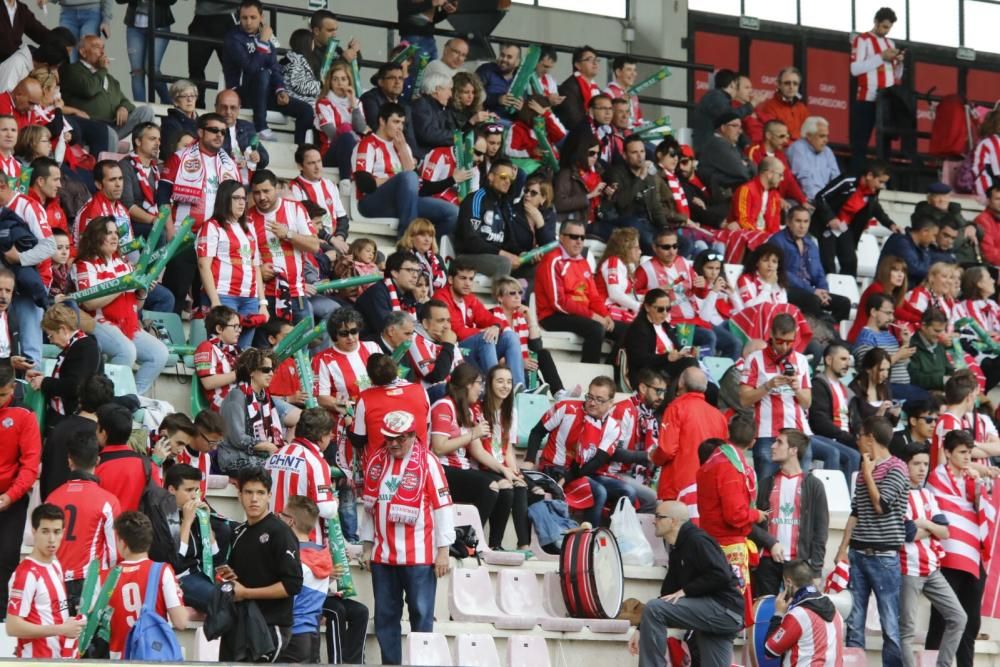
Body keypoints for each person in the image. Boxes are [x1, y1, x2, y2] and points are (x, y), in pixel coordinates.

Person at [358, 410, 454, 666]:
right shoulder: (376, 462)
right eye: (389, 438)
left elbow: (442, 506)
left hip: (419, 557)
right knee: (385, 619)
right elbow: (370, 507)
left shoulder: (429, 462)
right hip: (383, 556)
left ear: (412, 435)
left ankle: (421, 662)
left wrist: (443, 550)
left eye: (399, 438)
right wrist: (367, 546)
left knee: (421, 617)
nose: (393, 444)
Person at [628, 500, 745, 667]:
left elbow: (722, 575)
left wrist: (686, 591)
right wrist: (641, 629)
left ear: (674, 521)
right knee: (656, 608)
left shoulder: (697, 540)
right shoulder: (677, 547)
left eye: (659, 517)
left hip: (725, 611)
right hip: (714, 617)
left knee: (654, 608)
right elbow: (667, 593)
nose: (654, 520)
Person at [835, 415, 909, 666]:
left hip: (884, 557)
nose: (857, 440)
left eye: (860, 436)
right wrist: (842, 548)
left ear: (871, 438)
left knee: (890, 623)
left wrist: (867, 473)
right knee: (854, 622)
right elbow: (855, 512)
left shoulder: (898, 467)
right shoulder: (864, 470)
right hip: (858, 553)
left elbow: (881, 505)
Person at [73, 216, 169, 395]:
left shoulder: (124, 264)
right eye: (108, 233)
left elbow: (137, 307)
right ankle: (107, 397)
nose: (114, 237)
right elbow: (89, 302)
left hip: (127, 324)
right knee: (127, 351)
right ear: (95, 236)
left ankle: (132, 398)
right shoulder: (84, 265)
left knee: (160, 353)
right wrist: (122, 286)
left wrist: (142, 292)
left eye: (116, 233)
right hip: (97, 321)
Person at [158, 112, 241, 315]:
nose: (219, 135)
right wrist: (170, 232)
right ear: (200, 132)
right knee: (175, 292)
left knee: (207, 297)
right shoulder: (180, 158)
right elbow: (162, 199)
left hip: (216, 239)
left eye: (223, 132)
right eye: (213, 130)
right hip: (184, 237)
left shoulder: (229, 164)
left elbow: (238, 202)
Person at [219, 467, 303, 661]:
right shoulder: (238, 532)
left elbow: (293, 585)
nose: (254, 499)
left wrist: (246, 593)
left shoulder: (280, 533)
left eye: (260, 493)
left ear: (269, 496)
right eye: (248, 492)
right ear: (239, 495)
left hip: (270, 627)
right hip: (238, 626)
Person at [925, 429, 992, 667]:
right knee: (942, 618)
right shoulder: (937, 477)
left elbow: (981, 509)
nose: (967, 458)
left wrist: (978, 488)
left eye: (970, 453)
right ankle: (931, 661)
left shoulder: (972, 479)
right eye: (962, 453)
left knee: (971, 621)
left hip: (973, 556)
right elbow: (943, 510)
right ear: (947, 452)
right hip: (948, 556)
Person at [897, 443, 967, 667]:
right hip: (908, 569)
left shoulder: (927, 494)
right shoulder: (899, 494)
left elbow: (945, 531)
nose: (922, 469)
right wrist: (929, 529)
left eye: (925, 464)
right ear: (905, 465)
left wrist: (923, 524)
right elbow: (907, 534)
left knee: (959, 617)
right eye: (916, 463)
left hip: (932, 568)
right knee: (906, 630)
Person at [352, 102, 457, 239]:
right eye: (396, 122)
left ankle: (424, 249)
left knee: (452, 213)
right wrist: (396, 181)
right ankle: (406, 238)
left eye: (402, 123)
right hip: (372, 202)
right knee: (407, 177)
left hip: (403, 201)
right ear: (382, 121)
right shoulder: (367, 144)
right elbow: (365, 184)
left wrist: (402, 151)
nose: (400, 128)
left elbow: (417, 183)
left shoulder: (403, 146)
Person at [430, 363, 509, 531]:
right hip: (441, 469)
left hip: (462, 468)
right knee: (489, 487)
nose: (481, 389)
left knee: (505, 484)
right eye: (479, 383)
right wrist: (472, 434)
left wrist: (504, 470)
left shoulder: (468, 411)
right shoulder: (444, 406)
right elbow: (438, 448)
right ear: (468, 384)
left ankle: (494, 543)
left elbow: (478, 450)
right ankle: (467, 539)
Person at [751, 429, 829, 597]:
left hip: (798, 564)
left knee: (797, 613)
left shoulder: (814, 485)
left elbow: (820, 530)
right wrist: (770, 542)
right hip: (767, 561)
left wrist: (816, 570)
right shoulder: (766, 483)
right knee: (764, 613)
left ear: (793, 450)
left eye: (779, 442)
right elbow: (751, 522)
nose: (772, 446)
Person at [222, 0, 312, 142]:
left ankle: (301, 152)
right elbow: (251, 69)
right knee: (262, 74)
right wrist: (263, 41)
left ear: (261, 17)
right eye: (244, 18)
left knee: (306, 110)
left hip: (264, 94)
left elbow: (275, 68)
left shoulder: (267, 41)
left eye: (253, 17)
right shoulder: (233, 39)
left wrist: (280, 90)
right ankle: (261, 128)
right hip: (240, 94)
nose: (248, 22)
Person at [536, 221, 622, 364]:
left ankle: (610, 370)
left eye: (582, 237)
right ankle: (589, 374)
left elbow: (593, 296)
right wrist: (594, 316)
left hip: (581, 315)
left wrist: (605, 315)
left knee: (627, 331)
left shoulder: (583, 262)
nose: (579, 242)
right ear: (562, 238)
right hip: (553, 316)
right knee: (596, 329)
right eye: (574, 237)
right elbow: (559, 302)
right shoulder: (552, 260)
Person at [5, 503, 84, 657]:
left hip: (59, 658)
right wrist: (60, 629)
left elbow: (54, 612)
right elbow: (12, 627)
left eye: (57, 532)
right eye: (45, 531)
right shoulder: (26, 574)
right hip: (37, 660)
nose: (52, 539)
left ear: (63, 533)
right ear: (34, 532)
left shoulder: (55, 563)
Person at [432, 259, 526, 389]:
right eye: (463, 278)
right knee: (486, 337)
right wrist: (484, 331)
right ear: (450, 280)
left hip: (472, 348)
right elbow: (456, 331)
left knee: (511, 337)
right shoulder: (441, 297)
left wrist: (496, 326)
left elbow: (489, 318)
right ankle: (496, 388)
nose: (467, 283)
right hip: (453, 350)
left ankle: (519, 389)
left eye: (471, 279)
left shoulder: (469, 298)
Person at [106, 512, 189, 659]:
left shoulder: (105, 577)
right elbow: (181, 622)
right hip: (151, 657)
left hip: (117, 659)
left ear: (122, 542)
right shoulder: (162, 571)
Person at [739, 313, 812, 478]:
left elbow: (807, 403)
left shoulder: (801, 360)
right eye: (780, 341)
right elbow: (744, 399)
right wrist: (767, 386)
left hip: (798, 432)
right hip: (766, 433)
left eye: (789, 342)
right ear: (771, 334)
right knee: (766, 489)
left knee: (801, 488)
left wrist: (797, 389)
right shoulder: (754, 359)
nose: (785, 347)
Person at [247, 170, 322, 325]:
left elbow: (314, 246)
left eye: (266, 191)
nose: (262, 197)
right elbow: (242, 257)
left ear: (276, 188)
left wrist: (288, 234)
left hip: (296, 294)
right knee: (267, 348)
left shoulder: (295, 209)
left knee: (301, 347)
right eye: (257, 193)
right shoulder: (247, 218)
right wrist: (258, 271)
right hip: (263, 297)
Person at [0, 361, 41, 615]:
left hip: (11, 500)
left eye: (2, 394)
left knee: (5, 558)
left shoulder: (25, 415)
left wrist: (10, 496)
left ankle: (4, 615)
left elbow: (30, 465)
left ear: (13, 387)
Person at [811, 159, 899, 276]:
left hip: (844, 227)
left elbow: (876, 208)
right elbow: (820, 197)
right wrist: (830, 218)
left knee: (850, 262)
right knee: (828, 262)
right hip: (827, 225)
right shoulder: (848, 181)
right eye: (880, 181)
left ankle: (845, 291)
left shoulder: (873, 191)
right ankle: (826, 289)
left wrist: (890, 224)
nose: (882, 186)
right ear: (869, 175)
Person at [264, 407, 338, 546]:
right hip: (302, 542)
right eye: (329, 435)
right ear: (322, 436)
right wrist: (334, 502)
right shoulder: (316, 462)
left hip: (270, 536)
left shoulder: (275, 455)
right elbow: (325, 509)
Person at [61, 35, 155, 142]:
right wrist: (102, 70)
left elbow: (126, 102)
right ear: (83, 52)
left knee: (146, 111)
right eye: (96, 47)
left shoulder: (109, 78)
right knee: (110, 135)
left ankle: (142, 153)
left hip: (113, 126)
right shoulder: (73, 70)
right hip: (90, 126)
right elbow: (89, 90)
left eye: (103, 47)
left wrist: (123, 107)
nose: (102, 52)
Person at [653, 367, 728, 501]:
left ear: (681, 383)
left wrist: (654, 457)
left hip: (677, 487)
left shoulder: (675, 409)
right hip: (706, 488)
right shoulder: (719, 416)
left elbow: (667, 450)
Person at [477, 365, 531, 550]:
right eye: (500, 381)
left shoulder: (511, 412)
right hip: (482, 467)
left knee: (521, 486)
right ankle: (494, 544)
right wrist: (506, 472)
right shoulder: (479, 410)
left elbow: (507, 448)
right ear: (489, 384)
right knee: (507, 488)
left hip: (501, 467)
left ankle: (524, 545)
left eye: (509, 382)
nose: (505, 386)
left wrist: (515, 471)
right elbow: (478, 452)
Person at [770, 205, 851, 323]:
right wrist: (812, 291)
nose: (802, 226)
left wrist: (824, 291)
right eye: (798, 221)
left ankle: (831, 332)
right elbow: (781, 272)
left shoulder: (810, 243)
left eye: (805, 221)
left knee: (844, 303)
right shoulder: (777, 241)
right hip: (785, 289)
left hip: (810, 291)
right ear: (788, 221)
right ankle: (820, 331)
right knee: (813, 300)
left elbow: (819, 271)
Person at [26, 303, 100, 429]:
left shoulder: (85, 347)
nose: (51, 341)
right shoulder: (76, 346)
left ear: (63, 330)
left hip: (71, 422)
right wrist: (43, 379)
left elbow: (75, 386)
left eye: (51, 335)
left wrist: (45, 382)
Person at [277, 495, 332, 664]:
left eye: (282, 515)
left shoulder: (293, 559)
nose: (278, 518)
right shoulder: (322, 555)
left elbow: (287, 601)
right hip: (312, 635)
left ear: (290, 521)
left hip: (291, 636)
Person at [850, 7, 904, 173]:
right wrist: (881, 57)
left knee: (885, 143)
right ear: (876, 22)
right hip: (867, 98)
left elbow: (896, 75)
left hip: (886, 100)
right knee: (861, 142)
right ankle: (858, 177)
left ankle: (883, 179)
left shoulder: (890, 43)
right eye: (884, 27)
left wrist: (900, 62)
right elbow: (855, 69)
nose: (886, 31)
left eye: (889, 28)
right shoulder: (862, 40)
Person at [218, 348, 288, 475]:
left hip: (256, 458)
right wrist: (267, 445)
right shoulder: (237, 395)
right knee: (281, 470)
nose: (271, 374)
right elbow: (238, 438)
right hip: (234, 459)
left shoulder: (265, 399)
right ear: (251, 371)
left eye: (272, 370)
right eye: (266, 370)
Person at [762, 559, 844, 665]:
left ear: (788, 582)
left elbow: (770, 651)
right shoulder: (836, 611)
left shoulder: (798, 615)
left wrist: (778, 614)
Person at [453, 158, 523, 278]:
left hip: (494, 256)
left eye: (510, 179)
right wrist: (502, 253)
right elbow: (471, 240)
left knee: (534, 268)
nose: (507, 182)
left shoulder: (504, 204)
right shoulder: (476, 199)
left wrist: (521, 254)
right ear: (491, 177)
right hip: (468, 256)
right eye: (503, 177)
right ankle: (501, 296)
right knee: (504, 263)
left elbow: (508, 241)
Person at [349, 353, 429, 455]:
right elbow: (426, 425)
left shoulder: (365, 398)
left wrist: (348, 423)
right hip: (419, 462)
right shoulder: (420, 391)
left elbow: (358, 440)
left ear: (370, 377)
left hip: (380, 467)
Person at [622, 288, 700, 391]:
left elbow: (676, 348)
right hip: (650, 373)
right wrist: (666, 358)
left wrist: (688, 350)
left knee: (709, 388)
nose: (664, 313)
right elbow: (639, 360)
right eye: (660, 309)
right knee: (690, 363)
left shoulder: (665, 325)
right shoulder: (638, 328)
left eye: (668, 309)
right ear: (647, 307)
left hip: (668, 370)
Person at [602, 134, 668, 254]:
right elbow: (621, 202)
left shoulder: (649, 174)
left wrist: (665, 229)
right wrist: (640, 178)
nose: (640, 156)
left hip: (648, 223)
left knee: (683, 243)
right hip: (626, 222)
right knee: (650, 242)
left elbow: (655, 206)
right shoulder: (616, 173)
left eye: (642, 151)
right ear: (625, 155)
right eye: (634, 152)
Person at [719, 155, 783, 265]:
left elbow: (775, 225)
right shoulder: (746, 189)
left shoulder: (776, 196)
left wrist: (772, 238)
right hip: (747, 236)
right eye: (780, 175)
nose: (782, 178)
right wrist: (762, 236)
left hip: (765, 238)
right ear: (769, 174)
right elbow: (743, 220)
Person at [809, 343, 861, 473]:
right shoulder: (818, 385)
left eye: (848, 360)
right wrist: (849, 438)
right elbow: (819, 421)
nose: (847, 364)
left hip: (846, 440)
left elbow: (856, 422)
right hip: (828, 439)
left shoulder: (848, 391)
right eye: (843, 359)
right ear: (828, 360)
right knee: (853, 455)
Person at [690, 69, 757, 152]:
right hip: (708, 150)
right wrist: (750, 105)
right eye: (737, 86)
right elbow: (730, 117)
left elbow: (732, 123)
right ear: (732, 84)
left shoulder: (719, 97)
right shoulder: (716, 96)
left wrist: (746, 144)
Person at [746, 120, 809, 207]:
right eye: (781, 136)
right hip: (757, 200)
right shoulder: (753, 151)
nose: (785, 141)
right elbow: (755, 180)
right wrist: (776, 198)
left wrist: (803, 201)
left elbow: (789, 181)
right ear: (768, 136)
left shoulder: (781, 155)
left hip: (777, 201)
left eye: (787, 136)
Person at [119, 122, 164, 238]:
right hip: (131, 224)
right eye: (152, 139)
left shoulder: (159, 168)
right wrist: (153, 219)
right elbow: (127, 205)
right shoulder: (125, 166)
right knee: (161, 233)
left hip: (155, 221)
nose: (158, 143)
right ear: (138, 141)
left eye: (159, 140)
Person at [849, 254, 907, 343]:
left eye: (903, 271)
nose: (900, 275)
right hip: (863, 339)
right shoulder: (876, 288)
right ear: (886, 271)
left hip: (879, 338)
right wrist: (924, 321)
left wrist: (924, 318)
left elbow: (910, 309)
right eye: (895, 270)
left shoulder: (894, 293)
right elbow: (898, 312)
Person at [193, 305, 241, 411]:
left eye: (239, 327)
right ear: (219, 328)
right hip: (223, 403)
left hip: (239, 398)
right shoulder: (205, 347)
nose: (239, 331)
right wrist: (239, 373)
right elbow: (208, 382)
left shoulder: (235, 351)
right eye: (235, 326)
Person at [315, 60, 360, 173]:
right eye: (335, 79)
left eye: (343, 79)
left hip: (357, 151)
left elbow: (361, 128)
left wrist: (353, 104)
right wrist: (349, 134)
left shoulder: (357, 103)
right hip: (331, 152)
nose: (339, 83)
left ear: (349, 81)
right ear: (330, 82)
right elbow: (331, 133)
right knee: (346, 137)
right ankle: (345, 181)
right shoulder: (323, 103)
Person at [696, 111, 756, 196]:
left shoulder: (731, 145)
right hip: (720, 203)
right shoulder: (718, 144)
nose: (740, 131)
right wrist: (744, 165)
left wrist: (746, 165)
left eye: (740, 127)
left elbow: (755, 170)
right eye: (735, 126)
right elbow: (742, 172)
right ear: (723, 128)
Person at [215, 88, 270, 178]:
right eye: (224, 107)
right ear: (216, 107)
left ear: (239, 109)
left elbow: (265, 158)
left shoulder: (247, 127)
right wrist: (233, 162)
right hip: (222, 179)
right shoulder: (209, 128)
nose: (228, 112)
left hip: (248, 180)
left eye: (233, 108)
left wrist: (258, 156)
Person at [786, 115, 840, 202]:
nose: (826, 140)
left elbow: (836, 178)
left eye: (827, 136)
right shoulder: (798, 148)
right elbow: (804, 179)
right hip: (805, 200)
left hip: (825, 200)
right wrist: (820, 202)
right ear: (809, 136)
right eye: (822, 136)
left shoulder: (827, 151)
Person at [596, 227, 641, 323]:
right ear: (625, 248)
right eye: (636, 248)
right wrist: (639, 306)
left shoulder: (623, 264)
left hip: (614, 309)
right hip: (604, 310)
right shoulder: (613, 262)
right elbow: (614, 294)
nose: (640, 251)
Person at [554, 45, 601, 131]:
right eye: (590, 59)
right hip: (574, 134)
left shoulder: (596, 89)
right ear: (578, 65)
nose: (595, 63)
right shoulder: (568, 88)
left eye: (596, 60)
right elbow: (574, 120)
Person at [159, 79, 199, 161]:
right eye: (184, 96)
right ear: (175, 101)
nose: (189, 100)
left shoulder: (202, 122)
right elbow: (169, 155)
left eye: (192, 95)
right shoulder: (169, 124)